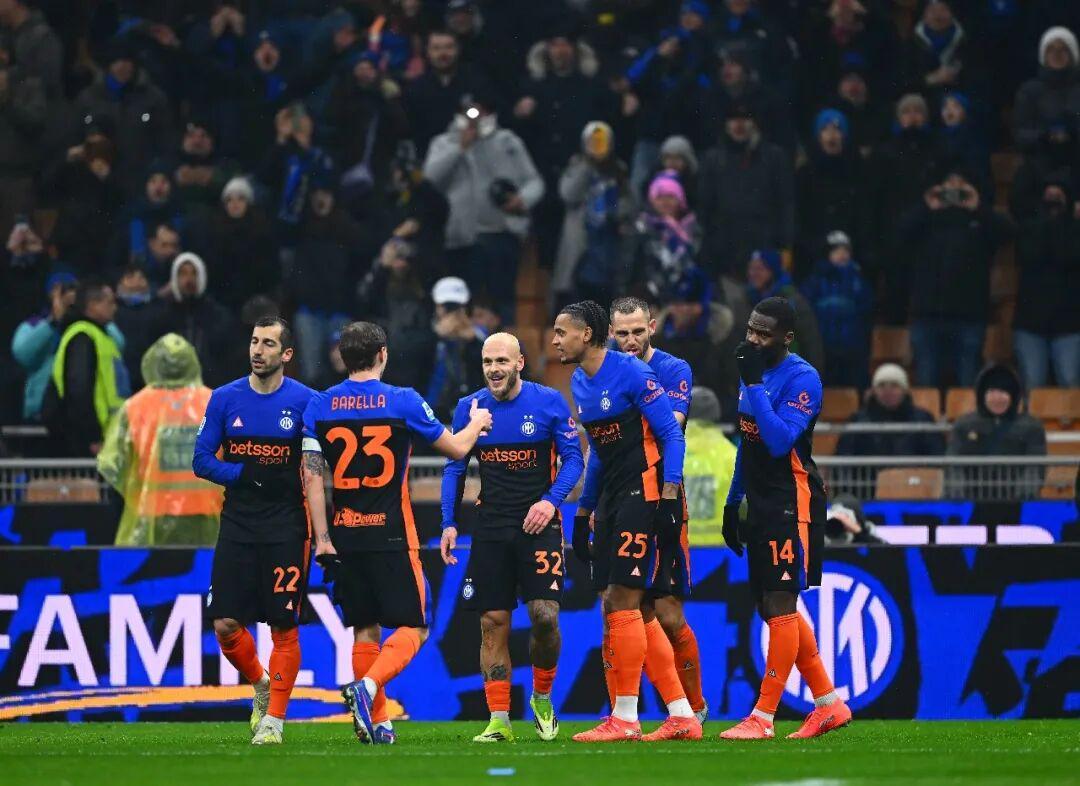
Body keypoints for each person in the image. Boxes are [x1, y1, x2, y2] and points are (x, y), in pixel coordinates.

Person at [300, 321, 493, 745]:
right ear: (383, 354)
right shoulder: (402, 400)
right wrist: (477, 421)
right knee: (416, 627)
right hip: (391, 533)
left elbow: (312, 477)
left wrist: (322, 538)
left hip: (345, 534)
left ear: (342, 357)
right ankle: (368, 689)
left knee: (364, 629)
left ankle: (379, 723)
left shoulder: (319, 405)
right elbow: (457, 448)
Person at [551, 300, 700, 742]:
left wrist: (670, 496)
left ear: (586, 335)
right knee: (629, 606)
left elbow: (671, 434)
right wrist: (583, 511)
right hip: (613, 498)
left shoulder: (635, 373)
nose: (555, 340)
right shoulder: (579, 381)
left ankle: (626, 717)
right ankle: (681, 714)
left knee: (624, 600)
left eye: (561, 332)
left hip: (645, 492)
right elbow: (599, 452)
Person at [439, 332, 584, 742]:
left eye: (501, 361)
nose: (494, 369)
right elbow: (455, 466)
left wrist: (550, 502)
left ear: (520, 363)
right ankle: (499, 720)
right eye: (487, 362)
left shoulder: (548, 402)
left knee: (545, 617)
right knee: (492, 622)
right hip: (491, 528)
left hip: (539, 526)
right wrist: (449, 521)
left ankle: (542, 696)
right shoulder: (470, 409)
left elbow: (574, 460)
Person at [720, 296, 852, 740]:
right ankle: (828, 704)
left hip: (791, 500)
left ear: (787, 337)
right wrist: (732, 503)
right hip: (760, 501)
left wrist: (755, 384)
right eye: (750, 329)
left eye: (763, 333)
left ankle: (762, 717)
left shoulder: (803, 378)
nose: (753, 338)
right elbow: (748, 443)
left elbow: (778, 442)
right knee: (769, 605)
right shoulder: (751, 374)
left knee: (780, 602)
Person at [191, 317, 317, 745]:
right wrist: (244, 474)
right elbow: (201, 460)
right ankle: (261, 683)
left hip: (287, 526)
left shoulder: (306, 402)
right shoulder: (225, 398)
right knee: (225, 623)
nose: (257, 350)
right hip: (238, 524)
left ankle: (274, 721)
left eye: (268, 344)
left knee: (284, 626)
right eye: (254, 341)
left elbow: (320, 464)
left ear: (287, 354)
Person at [608, 297, 707, 724]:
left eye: (637, 331)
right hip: (618, 496)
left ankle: (694, 708)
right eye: (622, 333)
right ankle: (620, 712)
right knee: (616, 606)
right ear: (611, 333)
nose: (630, 341)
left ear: (652, 327)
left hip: (661, 494)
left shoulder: (674, 369)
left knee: (666, 611)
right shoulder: (601, 371)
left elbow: (672, 425)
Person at [424, 93, 544, 324]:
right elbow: (431, 180)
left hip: (500, 234)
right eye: (468, 111)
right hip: (458, 241)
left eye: (482, 111)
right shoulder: (443, 143)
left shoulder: (507, 141)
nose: (475, 118)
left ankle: (506, 343)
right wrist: (460, 148)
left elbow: (535, 182)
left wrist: (522, 199)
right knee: (461, 305)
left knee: (503, 304)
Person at [98, 333, 222, 546]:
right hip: (209, 513)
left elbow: (113, 465)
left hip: (151, 514)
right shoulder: (216, 403)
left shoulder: (134, 408)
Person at [899, 168, 1011, 386]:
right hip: (928, 315)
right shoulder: (926, 220)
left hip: (969, 316)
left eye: (960, 186)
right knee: (926, 383)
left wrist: (978, 207)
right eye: (949, 186)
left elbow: (1007, 233)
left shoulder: (980, 222)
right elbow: (900, 234)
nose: (954, 191)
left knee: (968, 385)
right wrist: (926, 207)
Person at [698, 103, 794, 278]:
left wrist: (785, 244)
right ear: (726, 125)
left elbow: (785, 203)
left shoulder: (774, 157)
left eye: (745, 119)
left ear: (754, 123)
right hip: (723, 252)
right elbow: (704, 207)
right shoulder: (712, 159)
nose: (739, 124)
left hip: (764, 249)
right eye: (733, 119)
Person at [553, 121, 635, 308]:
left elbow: (629, 203)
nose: (597, 146)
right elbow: (568, 194)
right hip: (581, 244)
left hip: (608, 244)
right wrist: (587, 165)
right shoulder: (577, 165)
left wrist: (614, 212)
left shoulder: (619, 169)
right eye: (593, 141)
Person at [43, 280, 129, 457]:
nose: (115, 308)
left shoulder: (100, 337)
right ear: (92, 305)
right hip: (88, 443)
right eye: (110, 302)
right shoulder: (82, 337)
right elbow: (78, 389)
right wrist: (91, 437)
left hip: (107, 439)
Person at [1011, 179, 1080, 388]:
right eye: (1049, 198)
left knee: (1070, 384)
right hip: (1030, 325)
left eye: (1058, 198)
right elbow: (1029, 255)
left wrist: (1069, 223)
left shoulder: (1075, 231)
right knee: (1032, 387)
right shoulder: (1028, 229)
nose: (1053, 204)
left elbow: (1068, 256)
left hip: (1069, 325)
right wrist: (1047, 222)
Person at [947, 364, 1048, 499]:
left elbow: (1035, 467)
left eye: (1003, 391)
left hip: (1015, 502)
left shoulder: (1032, 427)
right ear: (982, 395)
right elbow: (953, 464)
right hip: (971, 500)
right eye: (991, 391)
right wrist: (959, 498)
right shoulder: (964, 425)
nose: (997, 398)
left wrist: (1023, 498)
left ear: (1013, 396)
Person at [153, 252, 238, 388]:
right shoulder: (163, 317)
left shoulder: (217, 315)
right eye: (183, 273)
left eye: (194, 273)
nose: (189, 279)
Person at [799, 230, 873, 388]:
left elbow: (865, 317)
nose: (842, 254)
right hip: (822, 350)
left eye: (845, 250)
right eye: (836, 250)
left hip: (852, 351)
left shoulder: (859, 282)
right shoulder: (814, 282)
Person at [837, 363, 946, 457]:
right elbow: (843, 460)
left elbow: (938, 456)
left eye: (894, 385)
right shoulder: (857, 421)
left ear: (905, 390)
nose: (888, 391)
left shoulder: (923, 419)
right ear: (874, 391)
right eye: (881, 385)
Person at [1012, 27, 1080, 158]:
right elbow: (1021, 135)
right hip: (1040, 161)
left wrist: (1071, 134)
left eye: (1063, 49)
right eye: (1051, 49)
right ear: (1044, 55)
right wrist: (1046, 135)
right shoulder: (1029, 91)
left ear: (1072, 54)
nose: (1056, 54)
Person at [682, 385, 737, 545]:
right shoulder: (731, 454)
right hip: (720, 548)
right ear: (716, 415)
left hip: (680, 547)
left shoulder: (670, 452)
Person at [427, 276, 486, 421]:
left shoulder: (479, 337)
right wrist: (436, 337)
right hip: (432, 412)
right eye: (447, 307)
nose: (452, 313)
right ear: (437, 307)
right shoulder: (426, 334)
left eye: (456, 307)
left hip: (471, 413)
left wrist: (472, 341)